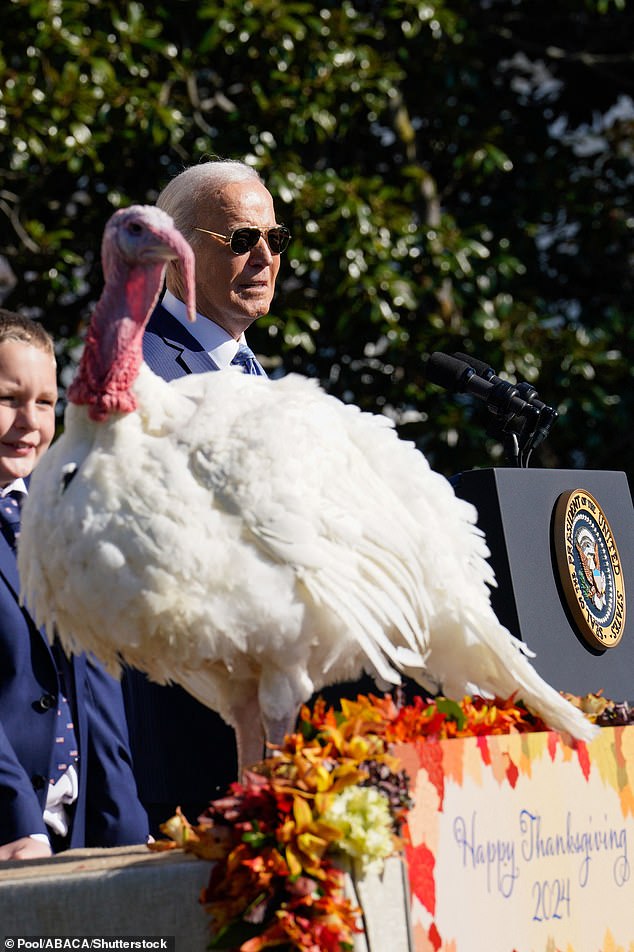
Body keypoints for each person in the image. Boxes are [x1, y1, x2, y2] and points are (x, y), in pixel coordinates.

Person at [122, 159, 291, 834]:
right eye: (241, 240)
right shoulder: (141, 374)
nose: (263, 258)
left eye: (275, 241)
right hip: (191, 727)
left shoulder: (258, 374)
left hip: (275, 713)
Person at [0, 309, 149, 859]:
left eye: (43, 403)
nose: (29, 422)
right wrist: (14, 819)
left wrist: (127, 830)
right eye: (7, 399)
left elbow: (96, 687)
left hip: (72, 834)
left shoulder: (67, 513)